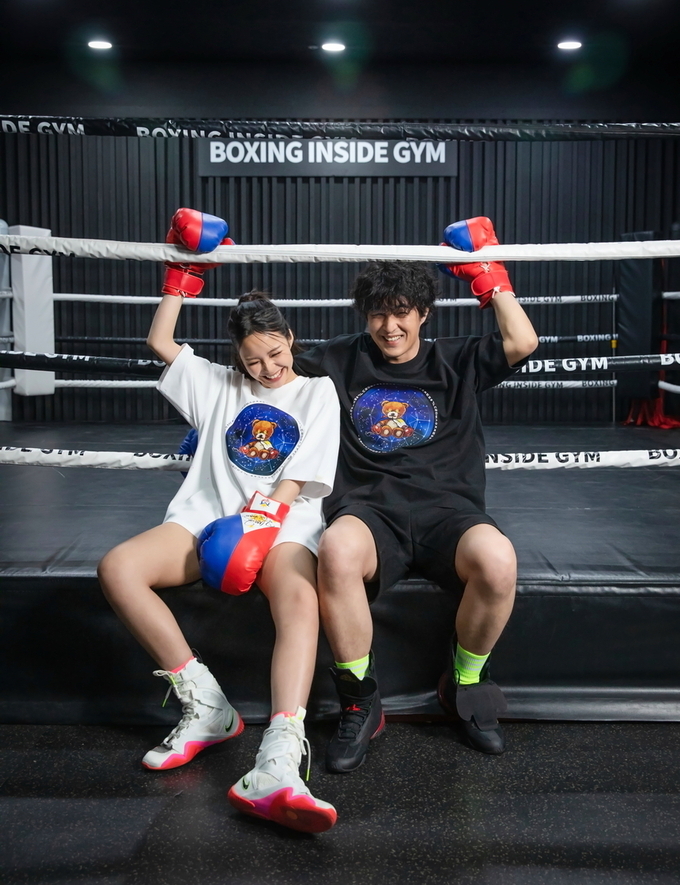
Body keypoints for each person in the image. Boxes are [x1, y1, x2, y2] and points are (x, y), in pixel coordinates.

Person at [97, 208, 340, 833]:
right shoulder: (217, 384)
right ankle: (206, 706)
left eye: (276, 353)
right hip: (204, 519)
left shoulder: (317, 392)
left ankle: (280, 755)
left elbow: (300, 476)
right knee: (118, 568)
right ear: (238, 357)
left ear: (290, 338)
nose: (269, 369)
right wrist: (180, 278)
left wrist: (261, 521)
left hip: (281, 525)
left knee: (299, 599)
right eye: (254, 361)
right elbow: (160, 343)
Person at [293, 216, 539, 770]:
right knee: (336, 550)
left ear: (424, 313)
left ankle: (465, 682)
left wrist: (489, 275)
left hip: (449, 511)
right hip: (369, 509)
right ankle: (361, 700)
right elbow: (268, 371)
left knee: (498, 561)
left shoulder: (456, 359)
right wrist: (184, 284)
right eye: (378, 314)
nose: (389, 327)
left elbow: (522, 341)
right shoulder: (339, 359)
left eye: (401, 312)